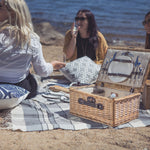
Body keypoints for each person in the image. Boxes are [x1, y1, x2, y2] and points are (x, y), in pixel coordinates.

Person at [0, 0, 65, 99]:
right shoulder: (32, 39)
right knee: (31, 77)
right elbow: (42, 72)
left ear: (12, 12)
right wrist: (53, 65)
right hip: (20, 89)